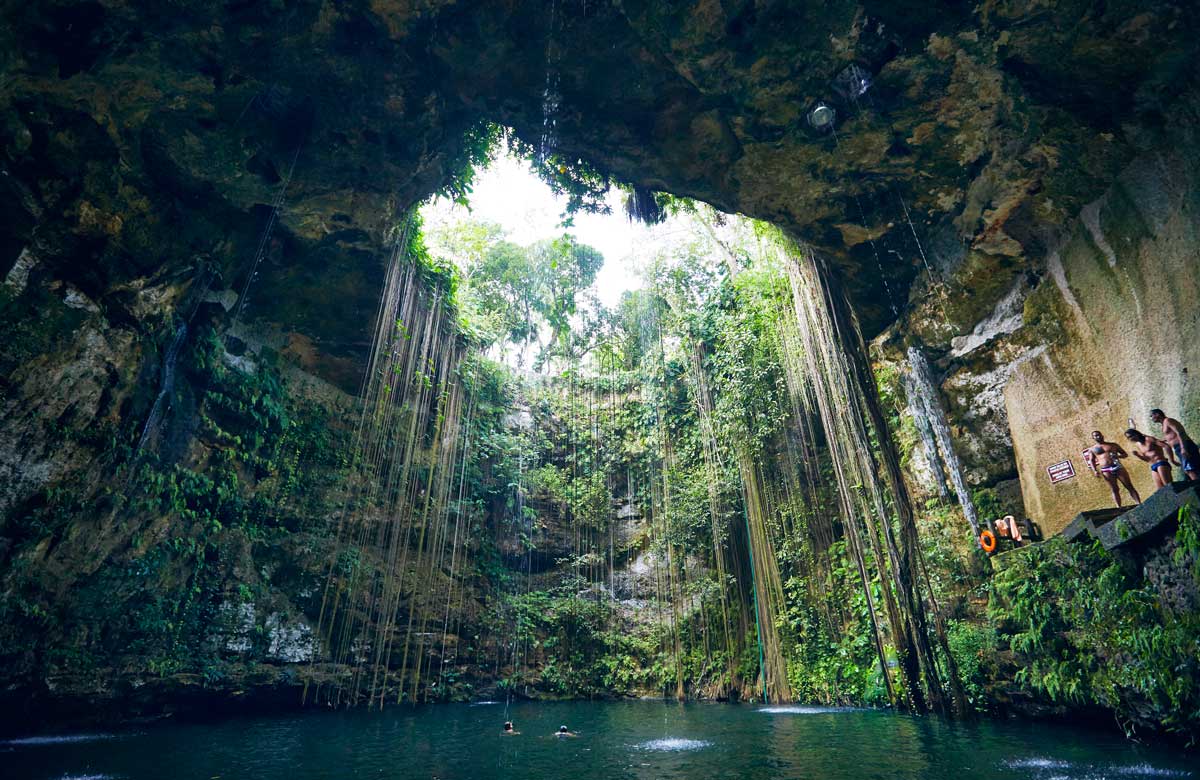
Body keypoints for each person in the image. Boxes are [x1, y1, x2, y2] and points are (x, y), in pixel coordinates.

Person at [1082, 430, 1140, 507]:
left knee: (1129, 486)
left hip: (1118, 467)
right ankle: (1119, 507)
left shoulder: (1113, 445)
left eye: (1099, 435)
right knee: (1114, 489)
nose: (1098, 436)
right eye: (1095, 435)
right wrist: (1095, 470)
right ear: (1093, 438)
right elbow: (1091, 461)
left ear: (1102, 435)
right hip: (1106, 470)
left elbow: (1125, 454)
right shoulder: (1092, 449)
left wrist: (1118, 456)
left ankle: (1139, 503)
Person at [1150, 409, 1200, 481]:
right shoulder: (1164, 424)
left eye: (1152, 416)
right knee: (1190, 469)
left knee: (1190, 469)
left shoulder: (1168, 421)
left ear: (1157, 414)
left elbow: (1180, 432)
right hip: (1178, 448)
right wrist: (1163, 440)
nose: (1151, 418)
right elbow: (1171, 436)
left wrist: (1183, 448)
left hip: (1184, 445)